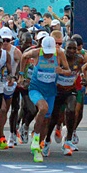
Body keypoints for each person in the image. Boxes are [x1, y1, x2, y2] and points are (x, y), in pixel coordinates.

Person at [20, 35, 72, 163]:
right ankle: (36, 138)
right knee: (43, 108)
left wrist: (62, 71)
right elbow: (23, 57)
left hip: (50, 91)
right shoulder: (36, 53)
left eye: (51, 53)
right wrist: (22, 75)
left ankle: (38, 146)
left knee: (46, 120)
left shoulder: (59, 54)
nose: (49, 55)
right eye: (47, 53)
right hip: (36, 88)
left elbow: (69, 71)